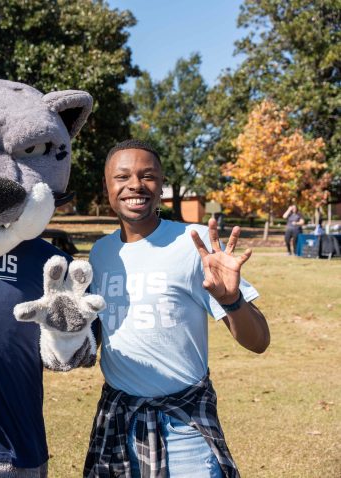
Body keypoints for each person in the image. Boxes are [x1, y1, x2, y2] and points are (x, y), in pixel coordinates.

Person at [84, 140, 270, 478]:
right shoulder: (99, 253)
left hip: (184, 426)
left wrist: (231, 300)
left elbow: (259, 341)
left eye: (148, 176)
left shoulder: (194, 243)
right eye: (122, 176)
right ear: (107, 187)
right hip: (117, 420)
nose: (135, 185)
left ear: (161, 186)